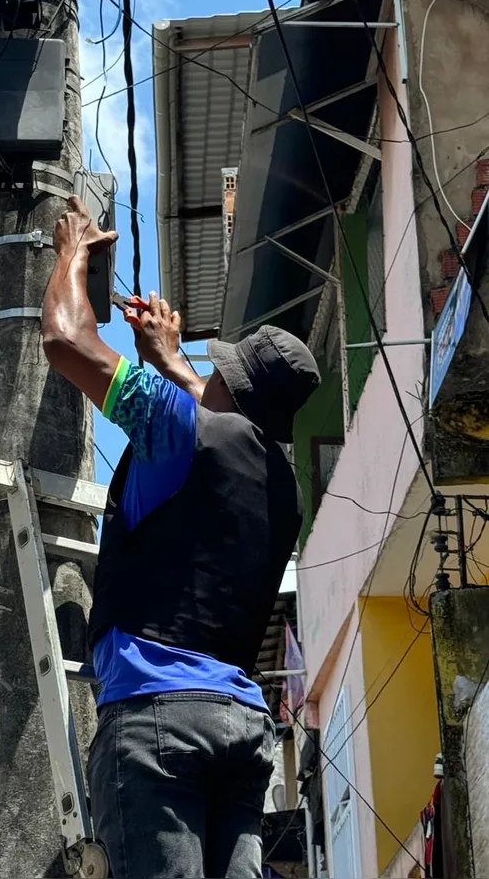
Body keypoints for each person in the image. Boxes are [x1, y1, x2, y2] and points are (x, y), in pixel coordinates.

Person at [42, 196, 320, 879]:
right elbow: (216, 415)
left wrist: (73, 251)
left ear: (232, 385)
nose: (210, 372)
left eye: (220, 369)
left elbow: (66, 341)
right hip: (241, 727)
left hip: (158, 721)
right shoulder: (284, 489)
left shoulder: (177, 427)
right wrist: (169, 359)